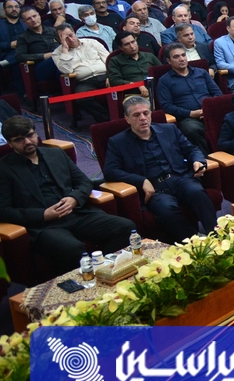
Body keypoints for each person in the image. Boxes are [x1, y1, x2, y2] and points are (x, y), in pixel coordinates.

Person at [0, 116, 136, 275]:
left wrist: (74, 199)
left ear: (36, 134)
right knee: (73, 249)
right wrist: (43, 215)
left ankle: (102, 271)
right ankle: (86, 278)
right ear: (10, 143)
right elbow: (4, 211)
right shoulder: (4, 169)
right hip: (44, 226)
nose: (28, 141)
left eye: (30, 135)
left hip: (76, 213)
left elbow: (84, 182)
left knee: (126, 227)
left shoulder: (55, 154)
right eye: (19, 140)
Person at [103, 96, 217, 239]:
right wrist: (141, 181)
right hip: (155, 188)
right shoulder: (118, 142)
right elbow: (110, 171)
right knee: (166, 209)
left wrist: (198, 161)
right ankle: (195, 242)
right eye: (136, 115)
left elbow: (192, 149)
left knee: (197, 192)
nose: (143, 118)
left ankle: (216, 235)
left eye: (146, 113)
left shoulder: (169, 129)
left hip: (180, 178)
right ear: (127, 119)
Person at [156, 42, 221, 151]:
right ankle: (205, 158)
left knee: (231, 119)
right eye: (176, 57)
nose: (181, 59)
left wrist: (208, 109)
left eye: (183, 55)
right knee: (192, 129)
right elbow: (166, 106)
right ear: (168, 61)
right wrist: (190, 113)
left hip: (210, 113)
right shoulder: (164, 81)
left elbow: (217, 93)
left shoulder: (201, 73)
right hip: (188, 118)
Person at [51, 24, 110, 122]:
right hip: (85, 81)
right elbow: (66, 71)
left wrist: (111, 76)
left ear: (74, 32)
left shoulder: (92, 42)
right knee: (82, 98)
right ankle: (107, 120)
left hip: (105, 76)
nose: (70, 39)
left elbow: (109, 61)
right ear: (59, 40)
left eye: (71, 35)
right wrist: (65, 49)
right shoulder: (57, 53)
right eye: (65, 38)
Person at [106, 31, 160, 97]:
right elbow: (114, 81)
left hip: (156, 90)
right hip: (133, 94)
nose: (132, 46)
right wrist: (136, 85)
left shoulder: (149, 56)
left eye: (133, 42)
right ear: (121, 48)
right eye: (127, 44)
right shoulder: (115, 61)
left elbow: (162, 72)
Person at [16, 8, 60, 83]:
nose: (33, 20)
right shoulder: (23, 37)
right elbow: (20, 56)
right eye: (29, 19)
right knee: (56, 59)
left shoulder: (53, 31)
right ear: (24, 22)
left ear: (39, 15)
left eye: (34, 16)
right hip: (41, 68)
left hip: (59, 62)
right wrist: (43, 56)